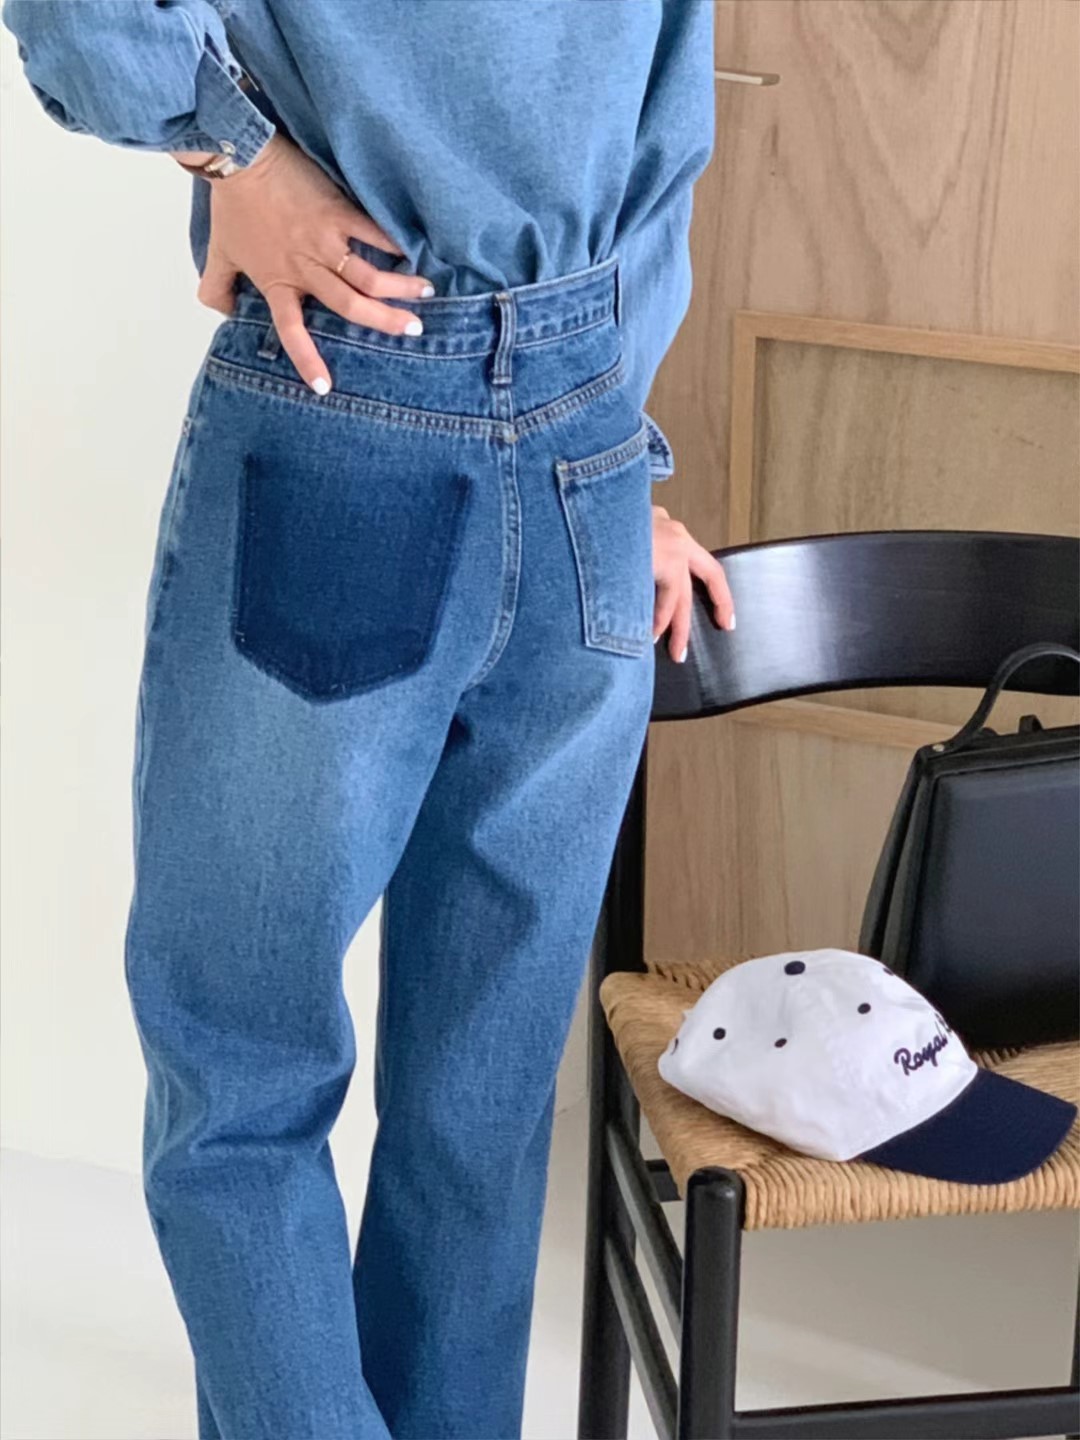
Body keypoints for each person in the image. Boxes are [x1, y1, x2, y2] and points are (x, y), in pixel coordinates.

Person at [3, 3, 735, 1437]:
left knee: (240, 1080)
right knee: (479, 1110)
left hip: (356, 406)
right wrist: (606, 463)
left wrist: (230, 149)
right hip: (586, 454)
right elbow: (669, 124)